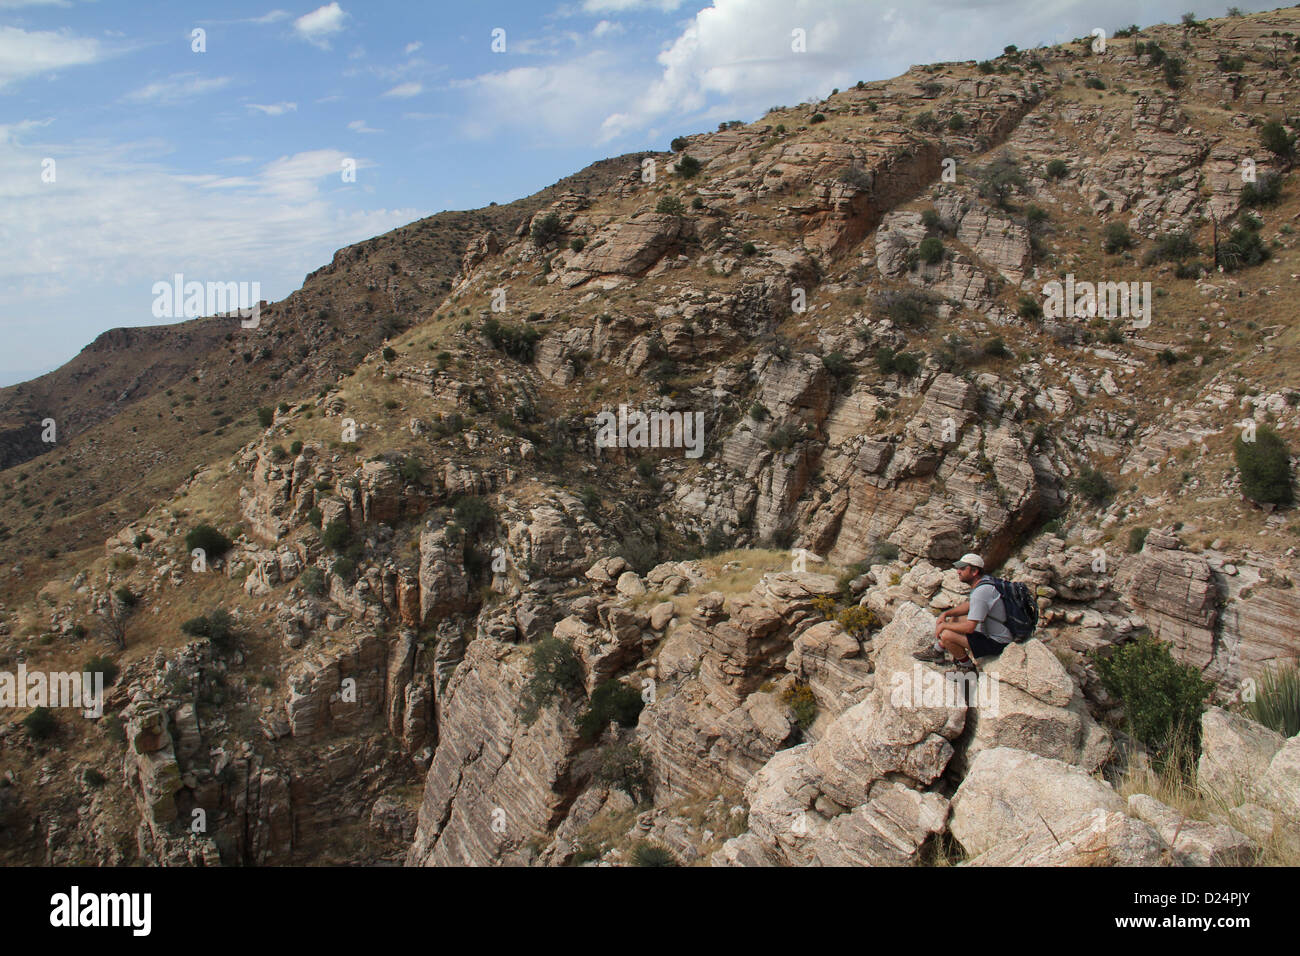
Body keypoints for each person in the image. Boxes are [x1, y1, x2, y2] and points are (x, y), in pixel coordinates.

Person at [913, 553, 1012, 673]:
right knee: (954, 619)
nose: (958, 571)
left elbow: (970, 628)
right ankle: (937, 651)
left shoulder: (981, 592)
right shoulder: (985, 583)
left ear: (974, 571)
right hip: (997, 630)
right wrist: (947, 614)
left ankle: (967, 667)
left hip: (997, 642)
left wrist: (944, 625)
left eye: (963, 568)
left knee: (946, 635)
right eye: (958, 568)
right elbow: (970, 606)